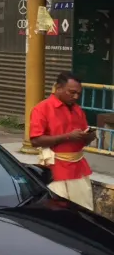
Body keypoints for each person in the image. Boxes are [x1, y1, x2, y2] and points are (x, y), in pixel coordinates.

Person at [30, 71, 98, 210]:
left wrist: (88, 137)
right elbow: (35, 140)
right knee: (58, 211)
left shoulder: (78, 110)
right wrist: (67, 136)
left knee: (84, 209)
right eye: (71, 92)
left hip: (78, 167)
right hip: (55, 166)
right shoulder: (42, 108)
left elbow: (81, 141)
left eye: (78, 93)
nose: (75, 96)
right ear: (58, 88)